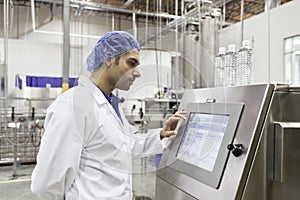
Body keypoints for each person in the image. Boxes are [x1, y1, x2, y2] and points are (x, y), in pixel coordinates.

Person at [31, 31, 186, 199]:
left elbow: (127, 143)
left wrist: (161, 135)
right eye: (131, 63)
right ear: (109, 58)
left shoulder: (111, 105)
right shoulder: (73, 106)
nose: (137, 73)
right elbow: (46, 185)